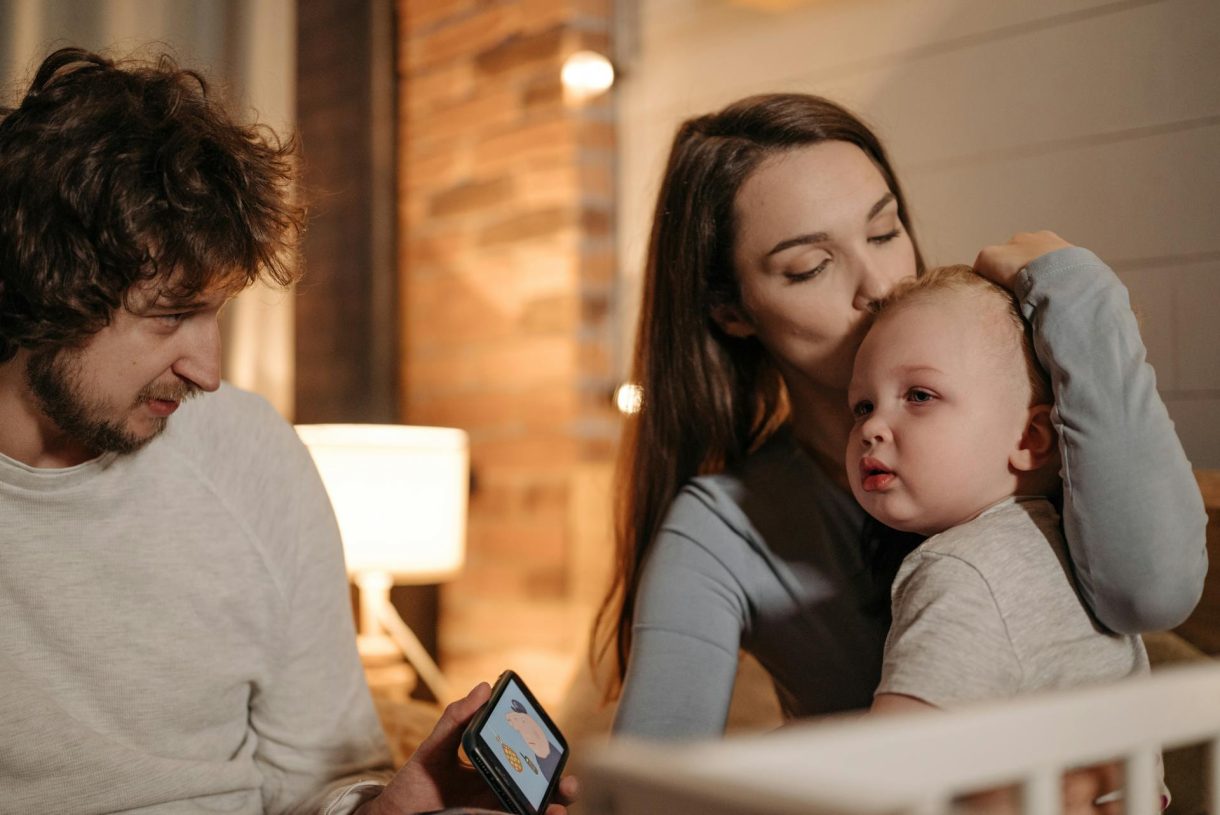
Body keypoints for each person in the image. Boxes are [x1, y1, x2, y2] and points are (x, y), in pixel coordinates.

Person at [0, 47, 573, 815]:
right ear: (42, 285)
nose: (206, 369)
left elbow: (318, 784)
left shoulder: (250, 451)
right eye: (170, 314)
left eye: (215, 314)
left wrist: (395, 807)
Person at [597, 92, 1206, 753]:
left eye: (885, 232)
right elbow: (645, 783)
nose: (879, 283)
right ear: (732, 311)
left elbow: (1154, 592)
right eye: (810, 266)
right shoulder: (720, 530)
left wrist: (1082, 294)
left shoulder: (1014, 415)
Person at [844, 265, 1149, 715]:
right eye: (863, 405)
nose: (871, 426)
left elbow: (902, 757)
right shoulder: (1076, 545)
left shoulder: (957, 568)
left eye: (920, 396)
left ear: (1030, 438)